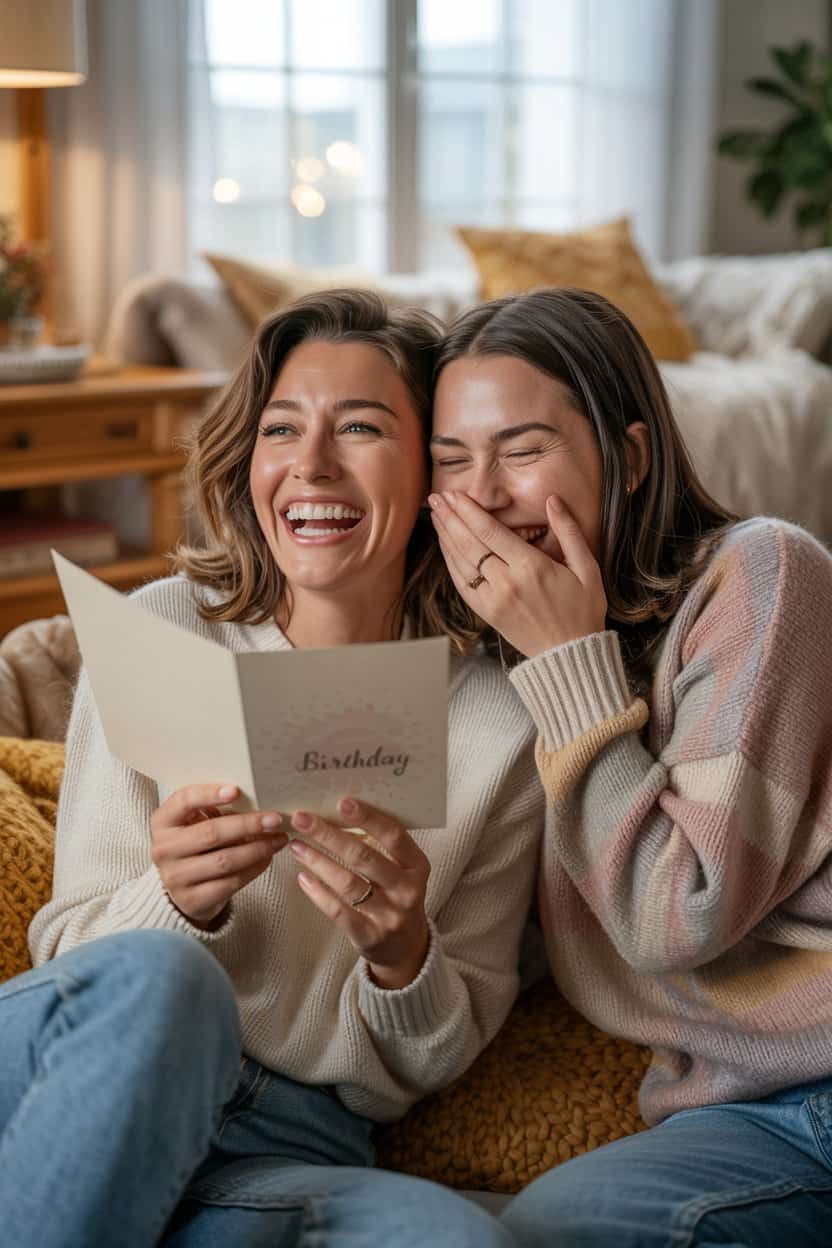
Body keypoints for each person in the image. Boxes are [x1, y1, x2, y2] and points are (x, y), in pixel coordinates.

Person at [3, 290, 543, 1248]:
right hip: (88, 1070)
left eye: (363, 427)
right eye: (281, 428)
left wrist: (402, 955)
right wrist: (172, 901)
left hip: (291, 1143)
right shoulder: (166, 625)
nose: (311, 465)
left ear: (434, 468)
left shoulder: (502, 716)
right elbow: (70, 958)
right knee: (169, 980)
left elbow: (430, 1062)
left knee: (460, 1241)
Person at [427, 286, 832, 1248]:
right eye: (451, 462)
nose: (483, 495)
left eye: (523, 451)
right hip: (734, 1115)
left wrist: (565, 663)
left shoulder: (761, 579)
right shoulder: (489, 664)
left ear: (631, 457)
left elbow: (675, 913)